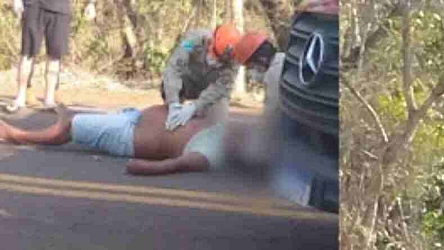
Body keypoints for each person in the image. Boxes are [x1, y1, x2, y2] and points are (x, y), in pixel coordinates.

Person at [0, 104, 227, 175]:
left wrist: (144, 168)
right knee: (75, 121)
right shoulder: (221, 125)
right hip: (134, 117)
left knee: (70, 127)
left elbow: (180, 163)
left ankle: (16, 135)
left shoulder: (211, 151)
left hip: (129, 136)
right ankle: (59, 125)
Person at [160, 24, 277, 130]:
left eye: (220, 59)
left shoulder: (234, 60)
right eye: (214, 54)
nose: (214, 61)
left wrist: (195, 106)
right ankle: (170, 121)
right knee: (168, 90)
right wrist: (173, 102)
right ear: (211, 41)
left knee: (218, 123)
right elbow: (174, 67)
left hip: (210, 89)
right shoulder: (193, 40)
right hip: (189, 81)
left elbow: (221, 87)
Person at [6, 0, 93, 112]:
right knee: (27, 53)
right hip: (34, 5)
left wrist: (91, 3)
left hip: (60, 8)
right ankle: (20, 97)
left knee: (55, 56)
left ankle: (49, 99)